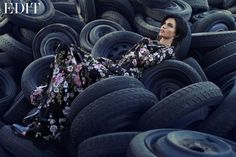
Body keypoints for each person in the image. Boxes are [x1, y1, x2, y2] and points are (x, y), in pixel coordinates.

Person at [11, 14, 188, 144]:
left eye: (170, 26)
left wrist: (143, 44)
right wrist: (144, 44)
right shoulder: (149, 43)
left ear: (177, 34)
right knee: (66, 50)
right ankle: (47, 109)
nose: (163, 27)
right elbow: (129, 57)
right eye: (164, 23)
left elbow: (142, 60)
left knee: (72, 70)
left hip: (122, 76)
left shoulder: (167, 52)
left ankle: (43, 125)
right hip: (111, 65)